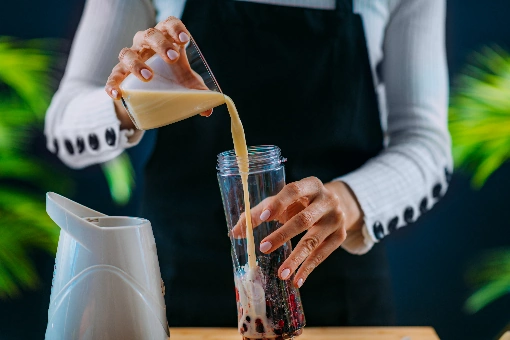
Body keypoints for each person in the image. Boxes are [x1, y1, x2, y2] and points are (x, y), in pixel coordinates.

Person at [45, 0, 451, 327]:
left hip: (332, 285)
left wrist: (347, 200)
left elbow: (425, 142)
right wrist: (133, 99)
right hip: (175, 280)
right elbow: (63, 121)